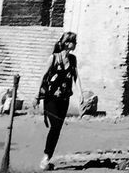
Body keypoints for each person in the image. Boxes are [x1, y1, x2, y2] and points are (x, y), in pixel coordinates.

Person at [37, 32, 81, 170]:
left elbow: (76, 76)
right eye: (74, 41)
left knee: (57, 129)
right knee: (55, 126)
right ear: (68, 43)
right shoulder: (53, 58)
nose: (76, 44)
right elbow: (43, 77)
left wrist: (81, 93)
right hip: (51, 99)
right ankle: (45, 158)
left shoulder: (73, 59)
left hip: (64, 99)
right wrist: (36, 96)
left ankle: (47, 157)